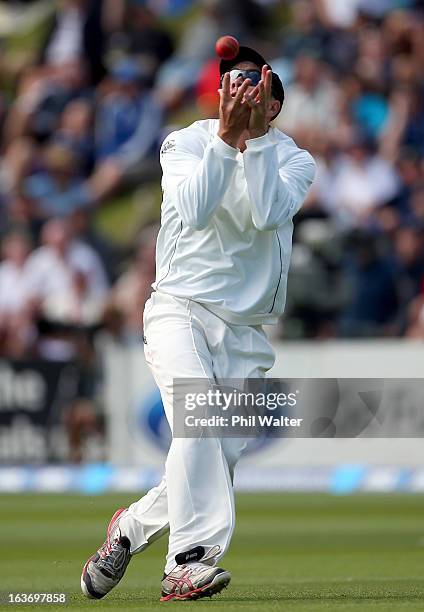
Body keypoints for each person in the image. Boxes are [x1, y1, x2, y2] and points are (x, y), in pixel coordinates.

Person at [81, 45, 315, 602]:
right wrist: (222, 140)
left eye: (254, 88)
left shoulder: (293, 159)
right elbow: (195, 207)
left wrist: (250, 141)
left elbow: (264, 211)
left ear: (274, 104)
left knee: (215, 452)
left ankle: (131, 528)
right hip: (180, 308)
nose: (241, 95)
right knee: (198, 422)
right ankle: (187, 561)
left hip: (247, 331)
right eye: (232, 84)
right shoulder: (183, 142)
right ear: (218, 93)